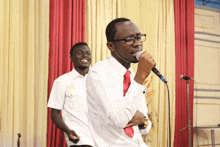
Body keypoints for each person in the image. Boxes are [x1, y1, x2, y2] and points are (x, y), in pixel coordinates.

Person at [86, 18, 155, 147]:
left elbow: (144, 127)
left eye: (138, 37)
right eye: (129, 39)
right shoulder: (99, 72)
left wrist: (143, 122)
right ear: (111, 46)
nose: (137, 43)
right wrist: (141, 76)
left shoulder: (132, 76)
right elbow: (120, 120)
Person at [47, 42, 94, 147]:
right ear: (71, 57)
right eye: (80, 53)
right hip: (80, 138)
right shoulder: (62, 81)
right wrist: (68, 131)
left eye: (87, 53)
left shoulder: (98, 79)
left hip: (101, 136)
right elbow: (54, 114)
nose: (85, 56)